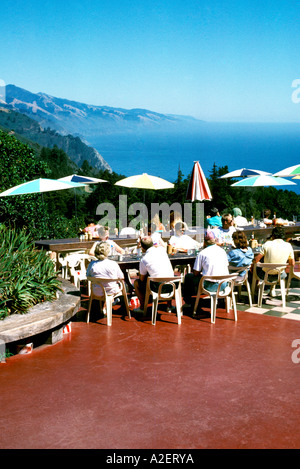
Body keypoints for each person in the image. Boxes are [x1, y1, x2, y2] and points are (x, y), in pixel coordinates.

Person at [182, 230, 230, 306]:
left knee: (188, 277)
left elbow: (195, 273)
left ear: (205, 242)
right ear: (215, 240)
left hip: (210, 286)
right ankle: (221, 300)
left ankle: (188, 302)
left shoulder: (202, 253)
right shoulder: (223, 251)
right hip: (223, 285)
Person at [133, 236, 174, 311]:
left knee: (136, 283)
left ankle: (142, 307)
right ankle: (169, 306)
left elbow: (141, 279)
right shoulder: (162, 250)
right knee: (167, 275)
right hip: (172, 286)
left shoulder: (144, 259)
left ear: (142, 247)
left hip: (157, 288)